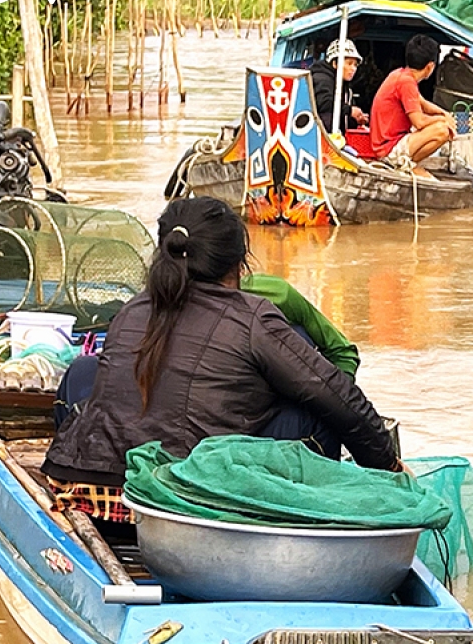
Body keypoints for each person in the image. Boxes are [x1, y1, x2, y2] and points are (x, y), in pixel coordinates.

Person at [42, 197, 403, 525]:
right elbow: (338, 395)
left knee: (84, 371)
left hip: (97, 490)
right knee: (318, 413)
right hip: (187, 501)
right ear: (237, 264)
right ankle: (303, 515)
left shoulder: (132, 309)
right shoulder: (253, 317)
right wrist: (387, 466)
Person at [366, 34, 456, 169]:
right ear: (430, 66)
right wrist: (443, 120)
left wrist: (445, 114)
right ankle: (406, 164)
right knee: (443, 130)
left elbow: (423, 104)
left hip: (388, 143)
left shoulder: (400, 74)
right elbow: (419, 122)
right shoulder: (406, 82)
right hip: (388, 149)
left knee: (441, 124)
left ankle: (408, 163)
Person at [309, 38, 367, 131]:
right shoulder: (322, 79)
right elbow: (324, 103)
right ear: (335, 63)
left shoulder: (344, 86)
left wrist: (356, 119)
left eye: (355, 65)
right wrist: (350, 110)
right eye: (349, 63)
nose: (353, 68)